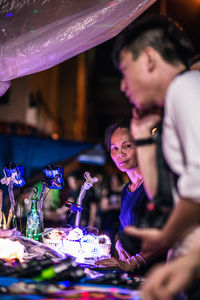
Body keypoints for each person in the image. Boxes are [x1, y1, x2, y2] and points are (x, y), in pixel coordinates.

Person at [112, 14, 200, 298]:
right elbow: (162, 196)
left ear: (149, 58)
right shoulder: (175, 103)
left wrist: (165, 238)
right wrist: (139, 134)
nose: (124, 87)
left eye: (125, 71)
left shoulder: (187, 87)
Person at [97, 120, 164, 273]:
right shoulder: (127, 190)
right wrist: (119, 244)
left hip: (155, 277)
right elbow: (125, 229)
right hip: (132, 277)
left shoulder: (154, 185)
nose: (120, 154)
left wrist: (134, 263)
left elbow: (165, 235)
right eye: (114, 148)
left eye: (127, 146)